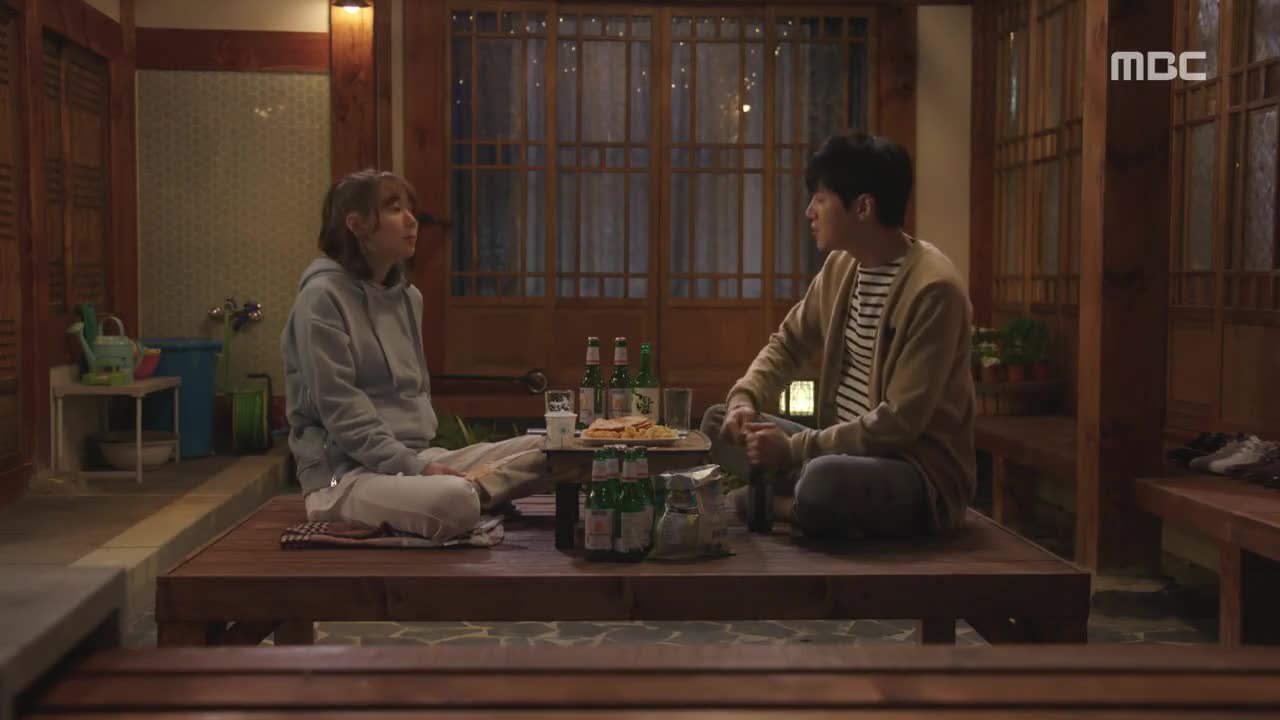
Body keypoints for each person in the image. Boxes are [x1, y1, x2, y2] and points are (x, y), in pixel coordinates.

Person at [701, 131, 976, 539]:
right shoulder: (841, 267)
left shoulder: (934, 290)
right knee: (717, 422)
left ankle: (780, 504)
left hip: (911, 467)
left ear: (863, 207)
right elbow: (788, 343)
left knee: (822, 482)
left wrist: (794, 449)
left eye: (820, 199)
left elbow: (899, 423)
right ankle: (800, 500)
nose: (809, 212)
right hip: (839, 450)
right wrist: (746, 399)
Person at [281, 169, 564, 542]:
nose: (411, 220)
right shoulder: (321, 299)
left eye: (409, 208)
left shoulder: (408, 298)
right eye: (394, 208)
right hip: (345, 476)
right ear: (358, 225)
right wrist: (415, 469)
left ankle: (464, 491)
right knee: (454, 501)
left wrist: (419, 466)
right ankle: (468, 494)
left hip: (417, 461)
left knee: (557, 449)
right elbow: (340, 410)